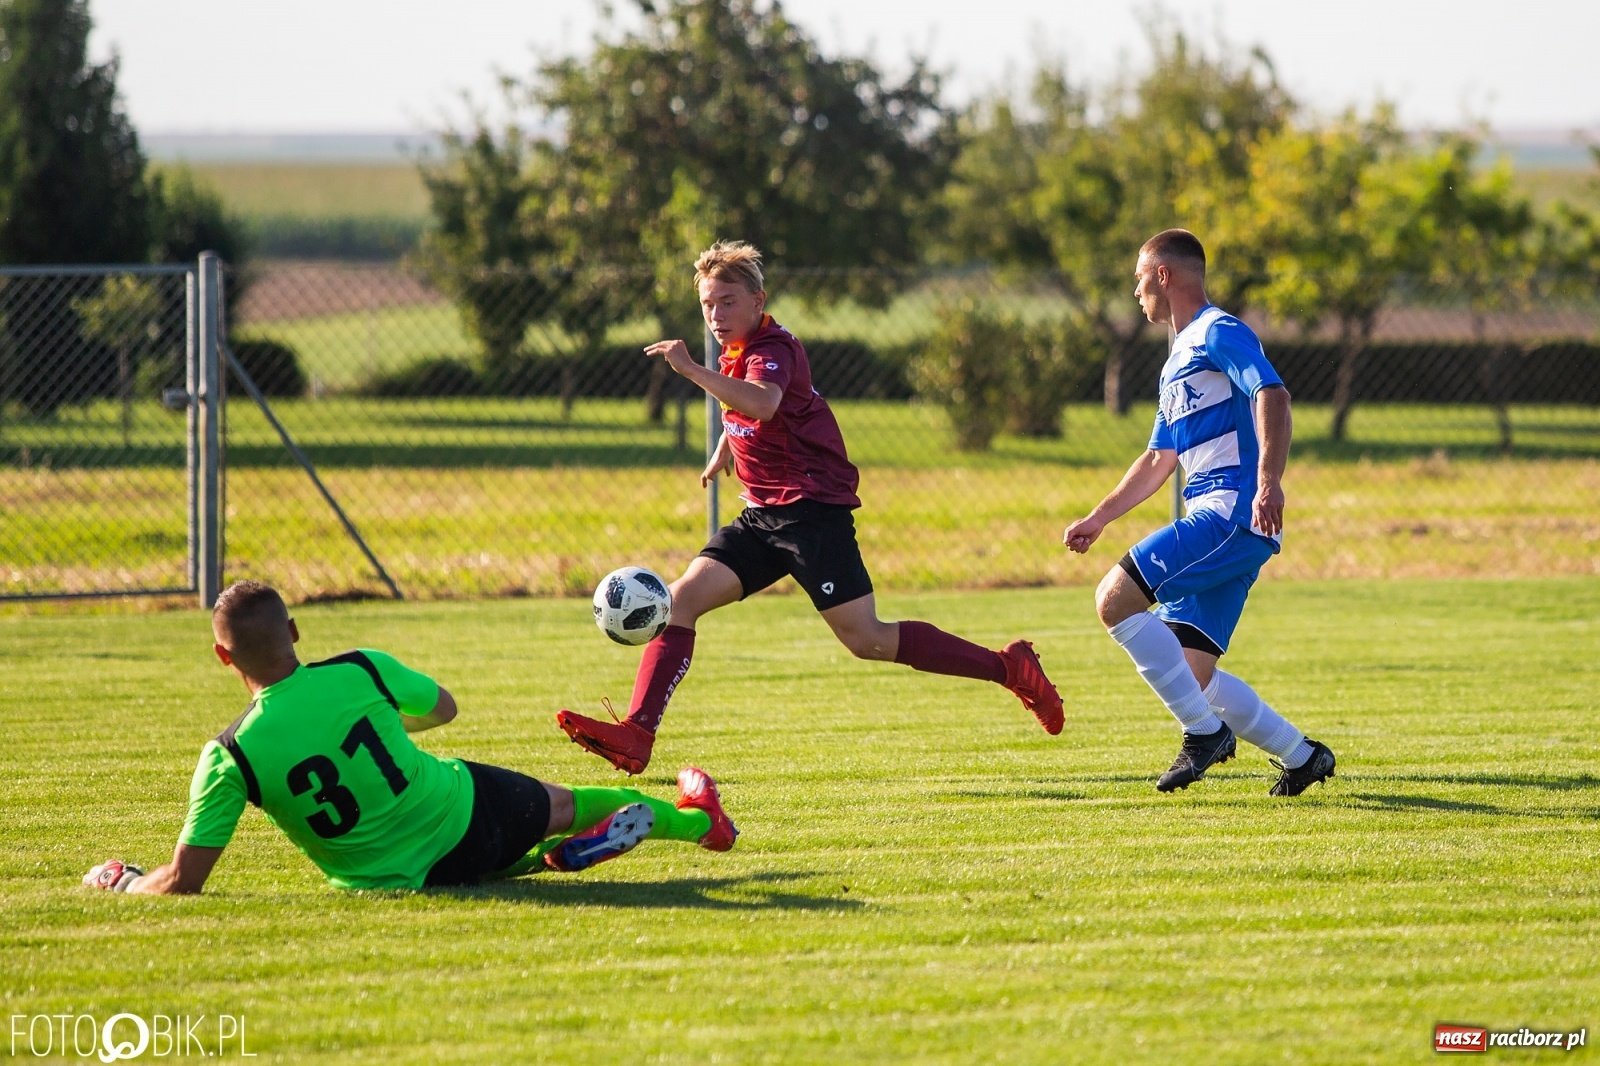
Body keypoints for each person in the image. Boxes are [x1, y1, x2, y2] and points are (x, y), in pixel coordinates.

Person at [556, 241, 1063, 775]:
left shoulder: (772, 347)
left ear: (758, 301)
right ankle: (637, 733)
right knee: (679, 601)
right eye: (707, 304)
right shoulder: (737, 352)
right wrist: (727, 445)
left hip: (811, 514)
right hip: (761, 516)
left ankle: (1010, 668)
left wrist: (689, 370)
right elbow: (758, 410)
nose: (716, 315)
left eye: (728, 302)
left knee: (868, 640)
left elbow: (765, 401)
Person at [83, 580, 737, 894]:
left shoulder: (229, 755)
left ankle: (544, 862)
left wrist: (123, 881)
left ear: (224, 658)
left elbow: (183, 882)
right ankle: (697, 824)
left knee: (480, 866)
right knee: (568, 802)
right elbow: (444, 709)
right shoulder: (359, 669)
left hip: (387, 879)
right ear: (296, 632)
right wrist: (387, 723)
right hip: (465, 814)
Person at [1062, 229, 1337, 796]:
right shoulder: (1175, 361)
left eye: (1139, 277)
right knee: (1192, 674)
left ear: (1163, 276)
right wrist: (1099, 517)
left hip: (1229, 514)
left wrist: (1268, 482)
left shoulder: (1219, 331)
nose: (1135, 290)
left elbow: (1273, 394)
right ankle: (1302, 755)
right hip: (1232, 524)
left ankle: (1204, 735)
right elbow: (1157, 459)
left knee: (1114, 599)